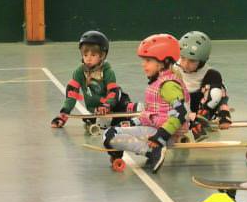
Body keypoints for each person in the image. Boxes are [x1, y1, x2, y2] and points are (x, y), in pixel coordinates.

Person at [102, 34, 190, 173]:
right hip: (155, 129)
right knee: (112, 131)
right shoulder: (159, 82)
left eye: (148, 60)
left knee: (110, 136)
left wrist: (160, 136)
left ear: (164, 62)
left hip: (164, 134)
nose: (143, 64)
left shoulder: (168, 85)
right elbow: (152, 113)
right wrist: (133, 122)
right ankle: (150, 150)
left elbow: (181, 113)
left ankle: (153, 151)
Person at [51, 30, 133, 131]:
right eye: (85, 55)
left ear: (102, 56)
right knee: (102, 123)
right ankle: (105, 119)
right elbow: (72, 95)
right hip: (97, 108)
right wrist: (63, 115)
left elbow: (113, 92)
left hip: (116, 103)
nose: (88, 59)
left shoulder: (107, 71)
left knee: (126, 107)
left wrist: (107, 105)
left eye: (93, 55)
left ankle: (130, 112)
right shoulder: (79, 72)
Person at [173, 30, 231, 140]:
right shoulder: (174, 69)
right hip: (180, 108)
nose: (185, 64)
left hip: (202, 110)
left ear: (202, 61)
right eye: (183, 58)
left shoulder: (209, 73)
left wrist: (223, 113)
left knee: (217, 87)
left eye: (192, 61)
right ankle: (188, 123)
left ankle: (207, 118)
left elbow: (218, 96)